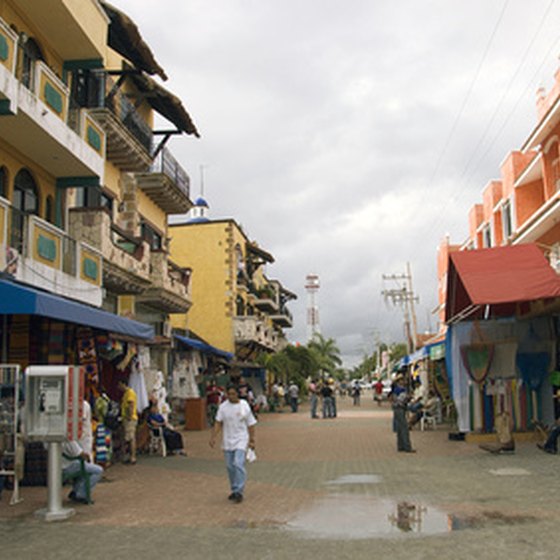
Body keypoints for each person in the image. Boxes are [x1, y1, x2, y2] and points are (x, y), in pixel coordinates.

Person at [209, 385, 257, 504]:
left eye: (233, 394)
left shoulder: (244, 405)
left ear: (238, 394)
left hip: (241, 439)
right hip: (228, 440)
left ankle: (239, 491)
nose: (231, 396)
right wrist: (213, 436)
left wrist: (252, 439)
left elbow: (251, 423)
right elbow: (218, 422)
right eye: (229, 394)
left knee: (238, 463)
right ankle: (234, 488)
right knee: (230, 466)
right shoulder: (223, 407)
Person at [62, 439, 103, 504]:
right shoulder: (68, 440)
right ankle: (80, 494)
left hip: (60, 465)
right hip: (68, 466)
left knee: (85, 467)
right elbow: (79, 453)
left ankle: (76, 490)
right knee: (98, 470)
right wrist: (87, 457)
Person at [392, 377, 415, 453]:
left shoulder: (396, 389)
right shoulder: (401, 390)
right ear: (399, 381)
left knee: (400, 428)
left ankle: (400, 446)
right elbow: (401, 400)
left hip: (397, 408)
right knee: (404, 428)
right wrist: (408, 397)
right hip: (400, 408)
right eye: (403, 380)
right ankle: (407, 446)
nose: (404, 381)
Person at [118, 379, 138, 465]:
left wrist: (129, 417)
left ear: (123, 384)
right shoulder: (126, 393)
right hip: (126, 418)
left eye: (119, 385)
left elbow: (131, 405)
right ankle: (128, 456)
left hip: (130, 419)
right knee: (127, 437)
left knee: (130, 438)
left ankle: (132, 457)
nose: (119, 387)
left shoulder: (130, 393)